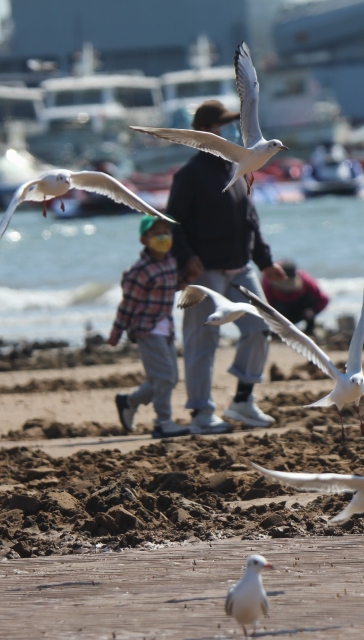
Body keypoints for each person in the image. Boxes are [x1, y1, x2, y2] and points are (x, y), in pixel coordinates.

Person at [166, 100, 287, 434]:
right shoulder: (190, 174)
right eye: (225, 125)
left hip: (240, 267)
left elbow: (251, 220)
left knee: (260, 328)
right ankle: (201, 414)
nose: (233, 130)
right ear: (206, 132)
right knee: (202, 341)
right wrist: (186, 256)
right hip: (204, 272)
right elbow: (170, 221)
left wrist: (265, 261)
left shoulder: (239, 167)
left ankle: (243, 402)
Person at [109, 216, 190, 439]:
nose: (163, 238)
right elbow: (127, 305)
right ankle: (163, 422)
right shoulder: (139, 271)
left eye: (167, 233)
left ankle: (130, 401)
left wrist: (189, 277)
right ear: (144, 240)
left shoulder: (170, 262)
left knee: (168, 377)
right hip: (145, 328)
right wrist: (116, 332)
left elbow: (173, 285)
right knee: (164, 377)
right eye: (157, 234)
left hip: (166, 327)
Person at [261, 259, 330, 335]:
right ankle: (279, 332)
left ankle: (310, 330)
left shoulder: (305, 279)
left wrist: (314, 311)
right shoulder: (268, 281)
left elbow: (323, 299)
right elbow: (264, 306)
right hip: (281, 315)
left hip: (300, 311)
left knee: (309, 299)